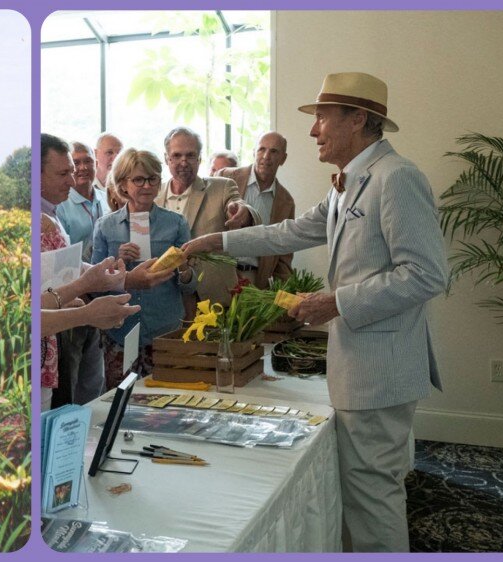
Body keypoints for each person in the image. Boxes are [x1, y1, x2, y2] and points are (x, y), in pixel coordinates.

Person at [183, 72, 448, 552]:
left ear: (360, 120)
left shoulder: (397, 177)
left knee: (373, 498)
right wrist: (214, 241)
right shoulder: (349, 184)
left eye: (322, 117)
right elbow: (286, 233)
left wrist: (335, 302)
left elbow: (427, 275)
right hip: (360, 367)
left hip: (381, 370)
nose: (313, 131)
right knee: (361, 494)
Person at [40, 133, 173, 409]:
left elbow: (70, 271)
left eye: (152, 179)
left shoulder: (50, 214)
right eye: (64, 172)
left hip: (54, 342)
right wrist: (85, 297)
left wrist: (116, 277)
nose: (72, 180)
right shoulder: (98, 223)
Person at [92, 148, 196, 390]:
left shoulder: (176, 223)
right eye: (138, 179)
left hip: (164, 330)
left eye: (153, 179)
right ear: (123, 184)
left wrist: (182, 269)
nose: (147, 186)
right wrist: (117, 261)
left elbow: (190, 285)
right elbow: (94, 287)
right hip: (120, 331)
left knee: (167, 400)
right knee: (119, 402)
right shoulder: (106, 226)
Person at [156, 127, 255, 313]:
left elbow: (239, 205)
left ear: (199, 158)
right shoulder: (154, 195)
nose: (183, 162)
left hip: (214, 298)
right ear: (166, 158)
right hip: (168, 301)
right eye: (176, 155)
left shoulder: (222, 187)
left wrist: (242, 212)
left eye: (190, 155)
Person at [53, 142, 107, 406]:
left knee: (93, 381)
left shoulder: (104, 199)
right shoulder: (59, 206)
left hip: (97, 297)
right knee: (69, 383)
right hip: (69, 302)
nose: (82, 169)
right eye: (76, 164)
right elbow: (61, 263)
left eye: (88, 161)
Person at [216, 131, 296, 288]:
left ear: (283, 159)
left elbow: (284, 257)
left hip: (254, 280)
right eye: (262, 149)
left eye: (274, 151)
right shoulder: (226, 177)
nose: (266, 156)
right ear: (254, 152)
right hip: (220, 273)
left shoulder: (286, 202)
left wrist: (277, 296)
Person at [92, 132, 123, 208]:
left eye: (119, 154)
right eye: (109, 152)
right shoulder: (86, 185)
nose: (116, 159)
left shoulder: (130, 186)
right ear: (95, 154)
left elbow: (140, 218)